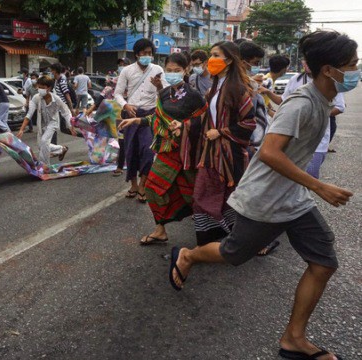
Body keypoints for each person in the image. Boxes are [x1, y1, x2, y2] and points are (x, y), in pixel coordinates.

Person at [170, 30, 358, 360]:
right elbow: (270, 152)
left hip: (293, 199)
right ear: (329, 69)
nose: (356, 69)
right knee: (233, 253)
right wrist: (319, 185)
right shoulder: (301, 103)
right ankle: (188, 256)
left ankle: (294, 339)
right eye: (352, 64)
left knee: (324, 262)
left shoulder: (321, 99)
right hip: (264, 199)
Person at [118, 53, 207, 244]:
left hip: (186, 152)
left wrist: (184, 127)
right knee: (152, 188)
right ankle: (160, 229)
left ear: (186, 71)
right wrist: (136, 120)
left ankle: (213, 230)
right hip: (167, 151)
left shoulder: (194, 96)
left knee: (193, 193)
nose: (173, 74)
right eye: (169, 70)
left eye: (177, 71)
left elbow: (205, 122)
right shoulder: (165, 93)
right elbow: (157, 119)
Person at [187, 41, 256, 246]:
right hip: (211, 152)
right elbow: (206, 118)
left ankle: (240, 239)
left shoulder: (237, 88)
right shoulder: (216, 87)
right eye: (211, 55)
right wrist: (182, 125)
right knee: (207, 195)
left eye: (216, 55)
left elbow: (249, 122)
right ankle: (222, 239)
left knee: (222, 196)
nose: (211, 60)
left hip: (228, 154)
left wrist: (222, 132)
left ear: (229, 59)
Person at [115, 38, 169, 203]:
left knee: (147, 150)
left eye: (149, 53)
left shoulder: (158, 69)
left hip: (150, 115)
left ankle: (143, 185)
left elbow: (165, 93)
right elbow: (117, 93)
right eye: (144, 53)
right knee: (130, 150)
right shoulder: (127, 71)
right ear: (137, 54)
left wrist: (159, 86)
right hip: (131, 113)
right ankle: (133, 185)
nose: (147, 56)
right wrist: (125, 106)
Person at [16, 75, 77, 164]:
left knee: (44, 141)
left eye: (42, 87)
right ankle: (61, 149)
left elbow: (66, 112)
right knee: (41, 146)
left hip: (53, 123)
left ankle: (44, 166)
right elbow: (29, 114)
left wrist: (71, 126)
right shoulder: (36, 98)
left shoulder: (56, 99)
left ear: (49, 88)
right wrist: (21, 129)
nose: (39, 89)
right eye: (39, 87)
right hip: (41, 124)